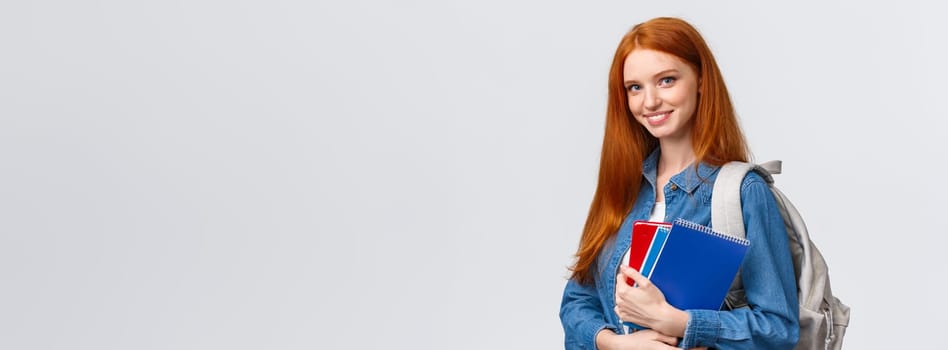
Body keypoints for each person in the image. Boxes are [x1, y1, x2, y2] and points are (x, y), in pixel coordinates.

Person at [559, 17, 799, 350]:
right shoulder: (624, 189)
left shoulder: (743, 192)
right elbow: (576, 301)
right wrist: (617, 344)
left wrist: (678, 322)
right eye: (635, 88)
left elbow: (778, 328)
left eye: (667, 80)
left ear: (700, 81)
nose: (650, 101)